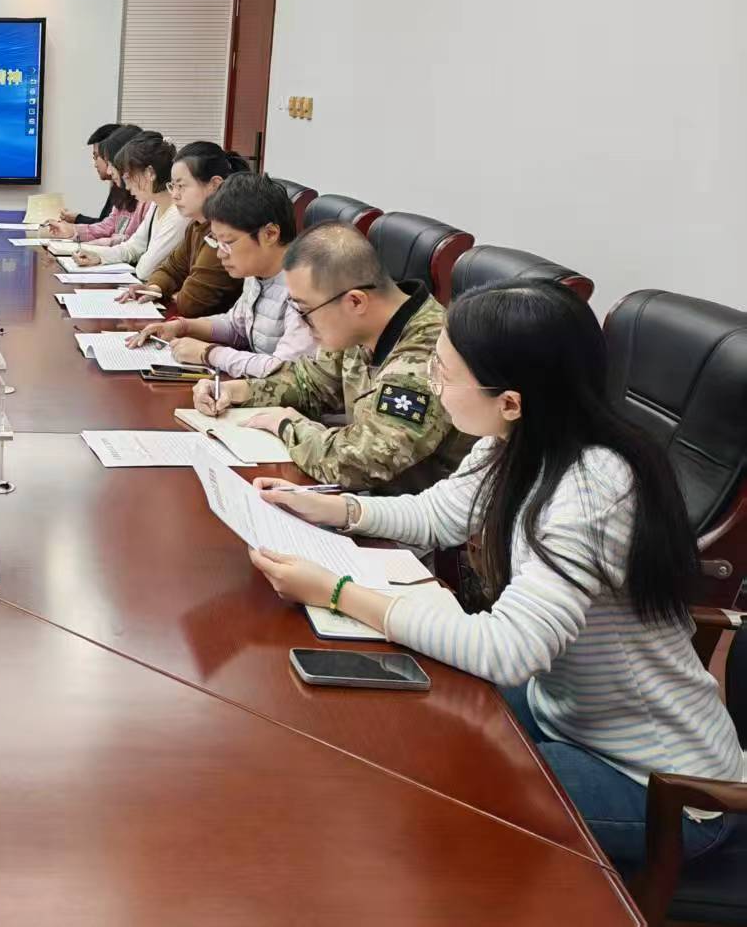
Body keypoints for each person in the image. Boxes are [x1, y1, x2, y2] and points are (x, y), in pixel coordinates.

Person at [249, 282, 747, 875]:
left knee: (435, 791)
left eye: (444, 371)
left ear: (510, 400)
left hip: (667, 787)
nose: (433, 383)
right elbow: (438, 514)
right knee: (417, 719)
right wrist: (334, 508)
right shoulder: (521, 441)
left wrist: (337, 593)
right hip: (567, 713)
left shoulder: (591, 492)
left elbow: (508, 651)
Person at [193, 222, 473, 492]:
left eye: (305, 310)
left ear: (355, 301)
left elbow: (360, 462)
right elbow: (311, 384)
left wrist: (286, 425)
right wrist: (236, 390)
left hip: (410, 523)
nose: (302, 323)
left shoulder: (428, 354)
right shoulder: (360, 326)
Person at [131, 171, 315, 376]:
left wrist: (209, 353)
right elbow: (237, 326)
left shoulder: (307, 289)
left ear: (270, 234)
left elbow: (285, 372)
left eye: (227, 243)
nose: (219, 254)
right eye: (216, 242)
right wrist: (181, 327)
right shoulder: (257, 273)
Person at [118, 140, 244, 313]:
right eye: (173, 186)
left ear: (214, 185)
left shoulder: (224, 235)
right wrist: (155, 288)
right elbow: (170, 269)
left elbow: (191, 302)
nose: (175, 195)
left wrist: (173, 292)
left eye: (182, 186)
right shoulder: (195, 226)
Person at [72, 133, 186, 281]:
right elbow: (133, 247)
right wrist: (98, 256)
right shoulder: (156, 206)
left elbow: (145, 270)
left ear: (149, 173)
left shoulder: (179, 214)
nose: (126, 186)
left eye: (128, 177)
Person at [47, 124, 146, 247]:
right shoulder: (120, 191)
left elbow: (134, 245)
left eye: (110, 163)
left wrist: (86, 243)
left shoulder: (148, 200)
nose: (109, 170)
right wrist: (72, 231)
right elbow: (108, 226)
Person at [45, 123, 121, 232]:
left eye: (96, 157)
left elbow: (109, 231)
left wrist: (74, 226)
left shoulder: (132, 194)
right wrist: (77, 219)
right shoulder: (118, 187)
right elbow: (105, 225)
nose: (95, 164)